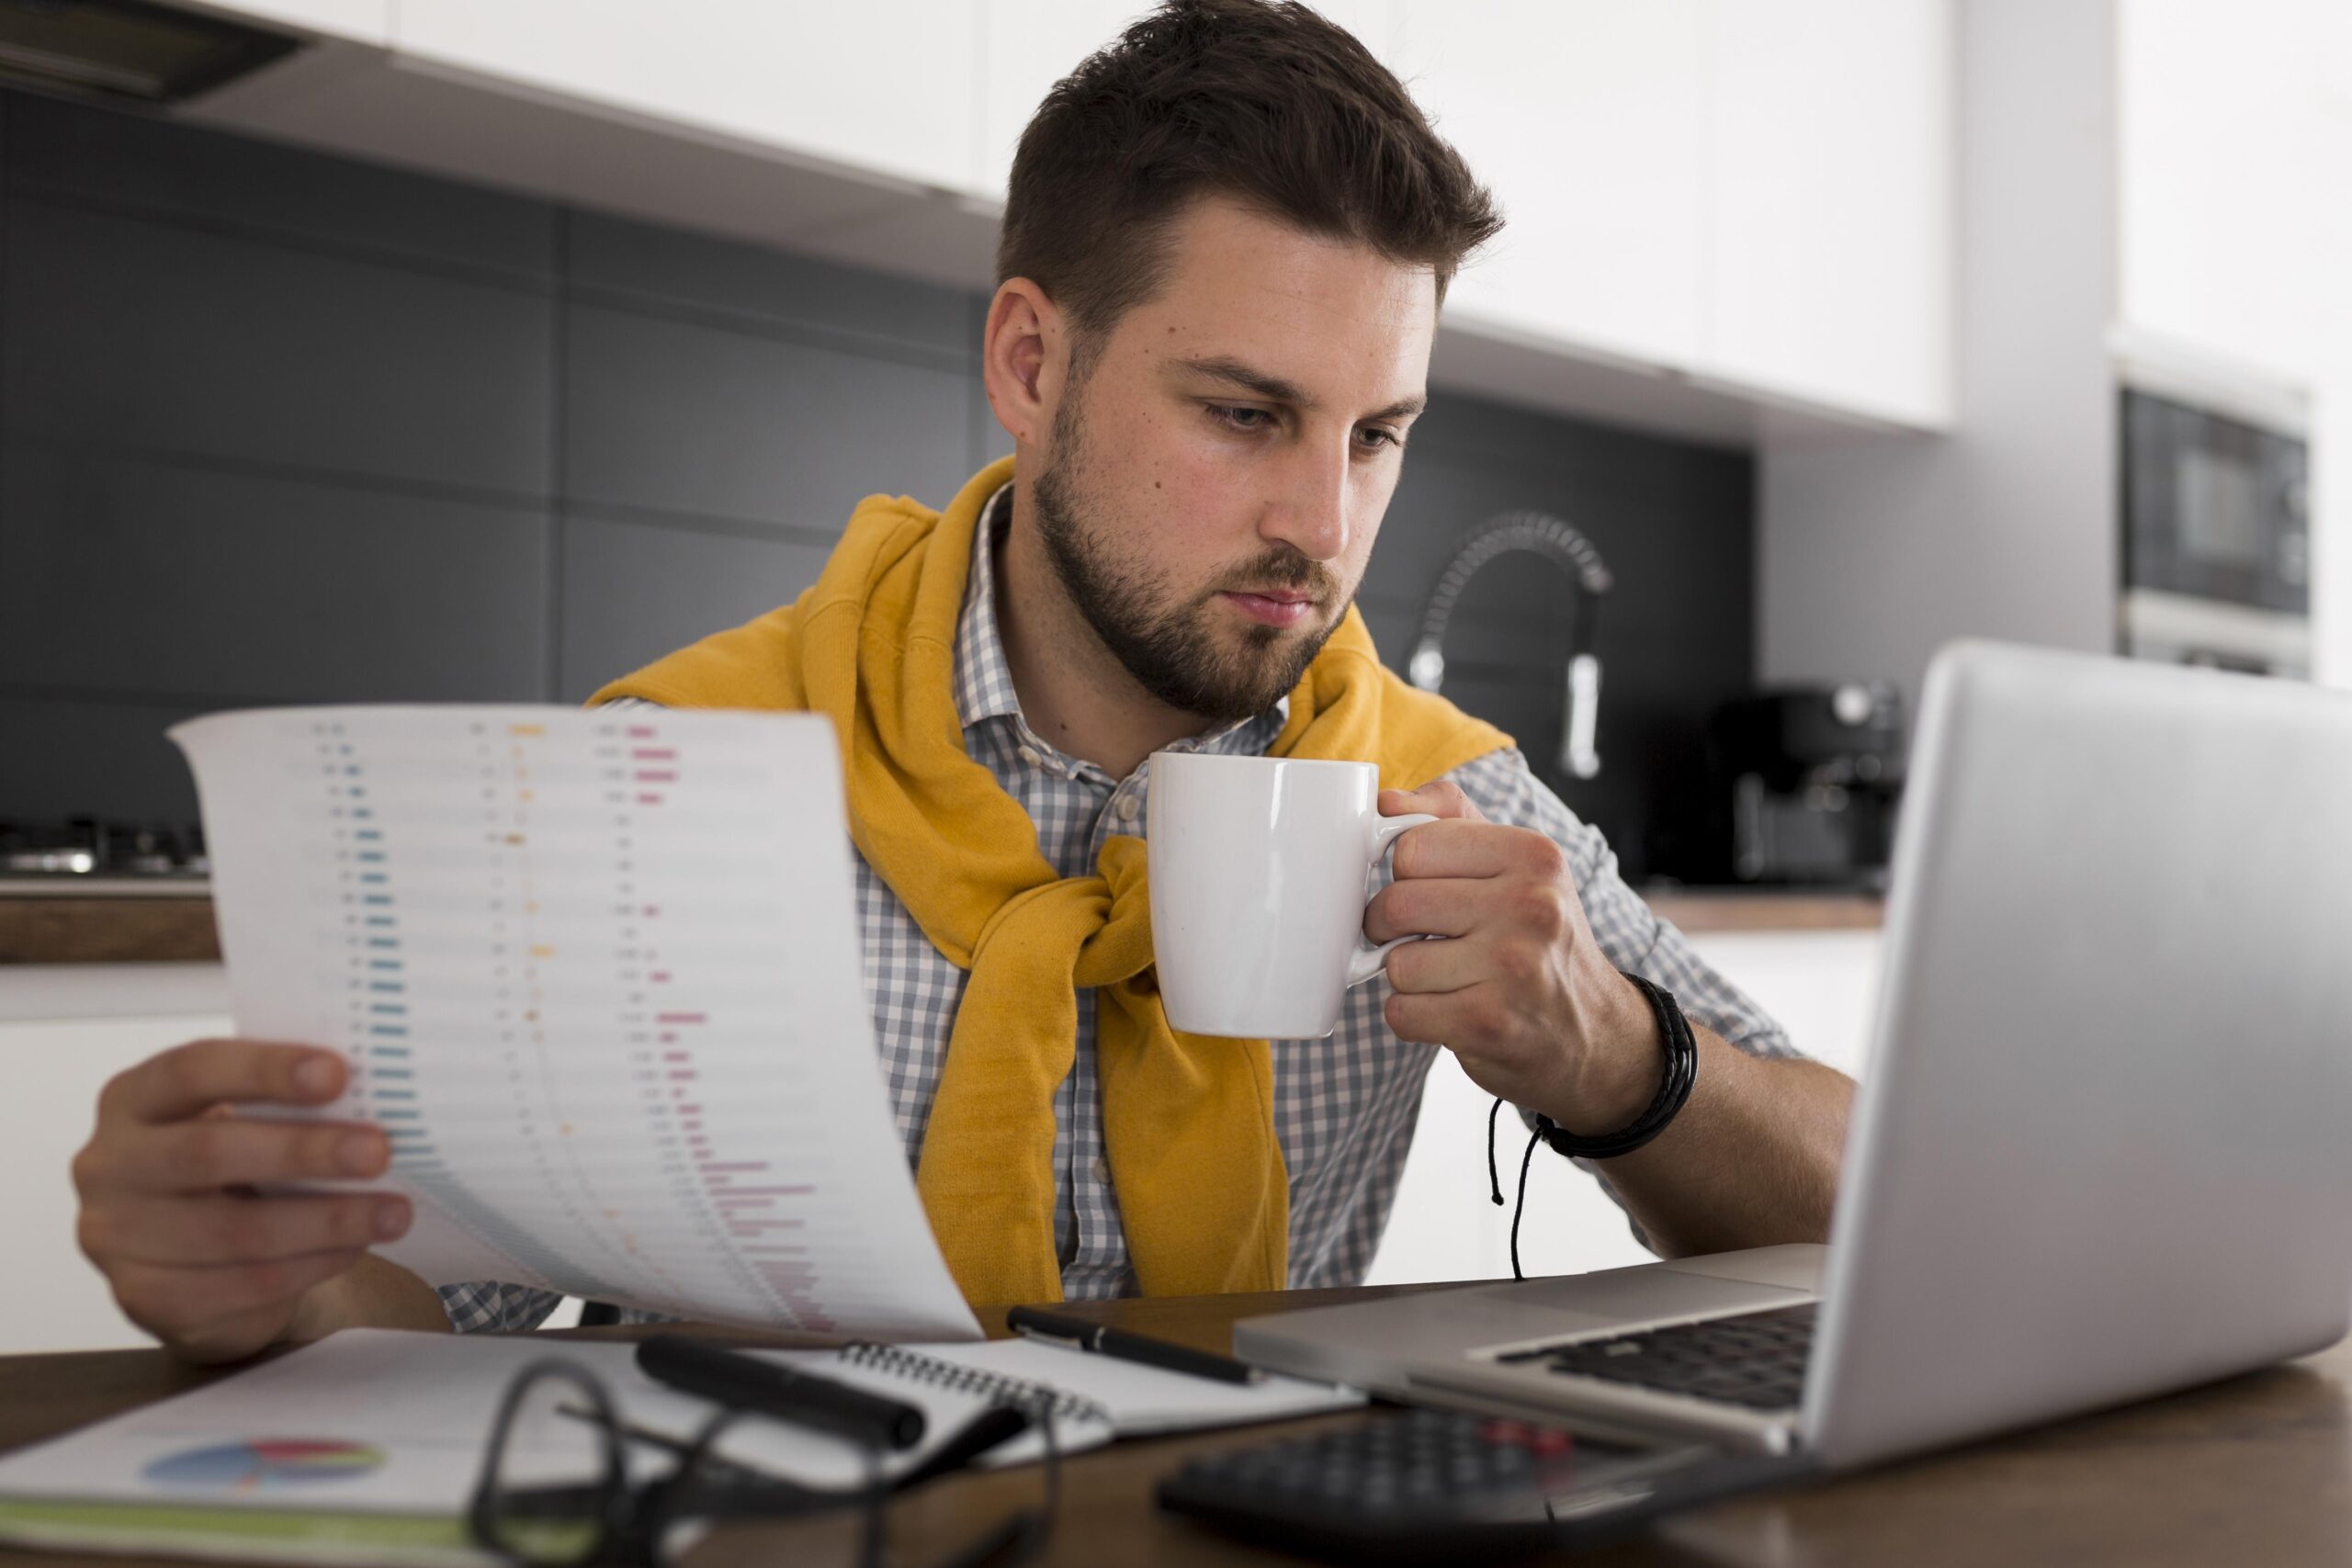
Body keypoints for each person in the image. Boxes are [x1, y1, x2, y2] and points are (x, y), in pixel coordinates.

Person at [72, 0, 1855, 1363]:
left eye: (1373, 432)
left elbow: (1865, 1201)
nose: (1321, 522)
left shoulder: (1436, 787)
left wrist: (1613, 1052)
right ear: (1028, 358)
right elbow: (441, 1320)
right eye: (1241, 413)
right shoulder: (678, 771)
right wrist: (265, 1277)